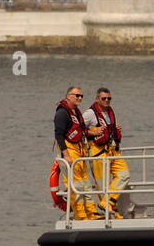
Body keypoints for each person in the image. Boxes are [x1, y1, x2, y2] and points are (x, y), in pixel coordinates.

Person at [53, 87, 101, 219]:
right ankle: (80, 214)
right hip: (70, 151)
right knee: (76, 185)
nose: (80, 98)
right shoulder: (62, 113)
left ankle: (92, 212)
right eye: (77, 95)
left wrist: (94, 132)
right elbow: (59, 134)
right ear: (69, 96)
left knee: (85, 183)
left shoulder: (76, 112)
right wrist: (66, 154)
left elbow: (82, 130)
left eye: (81, 96)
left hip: (80, 152)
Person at [86, 88, 128, 218]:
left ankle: (107, 203)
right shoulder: (90, 113)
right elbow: (78, 128)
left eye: (109, 98)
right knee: (102, 184)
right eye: (103, 98)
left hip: (112, 151)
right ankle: (111, 212)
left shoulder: (110, 112)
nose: (106, 101)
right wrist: (93, 132)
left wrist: (116, 130)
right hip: (98, 153)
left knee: (124, 174)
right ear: (97, 99)